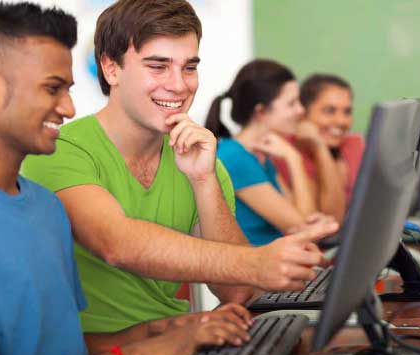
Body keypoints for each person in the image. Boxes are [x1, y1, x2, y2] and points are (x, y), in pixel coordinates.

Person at [0, 3, 254, 355]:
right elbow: (117, 244)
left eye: (67, 89)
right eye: (52, 88)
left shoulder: (43, 206)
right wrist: (150, 351)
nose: (69, 108)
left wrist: (171, 331)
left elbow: (59, 349)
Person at [22, 0, 337, 337]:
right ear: (111, 68)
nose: (179, 84)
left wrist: (204, 180)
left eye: (189, 67)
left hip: (181, 344)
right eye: (158, 66)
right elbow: (115, 243)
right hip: (92, 354)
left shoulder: (201, 160)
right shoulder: (59, 148)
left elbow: (238, 292)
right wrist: (255, 262)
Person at [205, 59, 326, 246]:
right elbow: (305, 228)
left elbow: (304, 218)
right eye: (291, 103)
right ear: (261, 111)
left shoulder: (259, 156)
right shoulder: (235, 158)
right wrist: (293, 158)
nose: (301, 110)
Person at [275, 74, 365, 223]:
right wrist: (320, 148)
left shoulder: (354, 144)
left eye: (347, 112)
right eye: (329, 111)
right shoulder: (285, 152)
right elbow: (333, 217)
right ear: (302, 114)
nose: (341, 121)